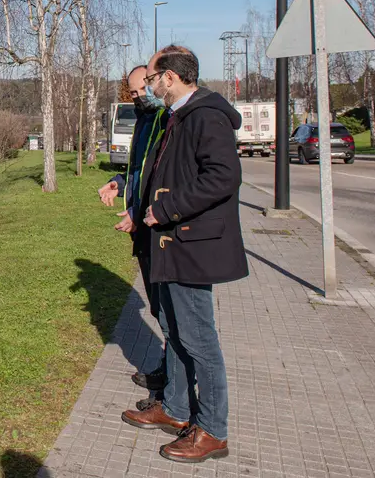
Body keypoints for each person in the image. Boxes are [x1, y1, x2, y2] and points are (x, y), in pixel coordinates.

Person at [120, 46, 246, 464]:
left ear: (170, 77)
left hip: (192, 246)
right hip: (170, 243)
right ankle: (175, 409)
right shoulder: (178, 117)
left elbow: (223, 177)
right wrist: (140, 210)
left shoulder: (205, 116)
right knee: (175, 331)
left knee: (199, 340)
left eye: (152, 79)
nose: (150, 88)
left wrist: (167, 208)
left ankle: (212, 430)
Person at [97, 65, 169, 395]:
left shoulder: (167, 118)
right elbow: (138, 169)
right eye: (134, 93)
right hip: (143, 226)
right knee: (160, 308)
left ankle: (173, 383)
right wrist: (118, 182)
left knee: (171, 311)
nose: (139, 97)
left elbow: (160, 176)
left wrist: (139, 215)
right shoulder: (143, 118)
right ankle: (169, 374)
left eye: (143, 89)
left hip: (159, 228)